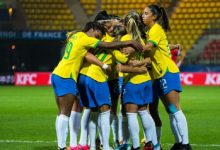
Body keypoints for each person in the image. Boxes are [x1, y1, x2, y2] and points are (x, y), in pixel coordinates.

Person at [51, 21, 143, 150]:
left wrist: (103, 64)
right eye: (98, 35)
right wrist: (130, 42)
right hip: (67, 76)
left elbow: (87, 54)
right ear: (93, 29)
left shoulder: (76, 36)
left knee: (62, 113)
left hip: (57, 73)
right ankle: (62, 147)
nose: (98, 38)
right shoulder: (85, 39)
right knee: (66, 113)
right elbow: (106, 45)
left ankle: (70, 145)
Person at [141, 4, 192, 150]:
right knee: (170, 110)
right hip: (159, 74)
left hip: (167, 72)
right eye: (142, 13)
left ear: (154, 17)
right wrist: (173, 45)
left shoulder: (155, 29)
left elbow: (149, 47)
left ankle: (186, 144)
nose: (142, 16)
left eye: (145, 13)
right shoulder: (152, 31)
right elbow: (161, 45)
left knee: (175, 108)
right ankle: (178, 142)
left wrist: (131, 43)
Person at [118, 11, 159, 150]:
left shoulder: (126, 38)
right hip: (146, 80)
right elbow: (149, 58)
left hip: (133, 81)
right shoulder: (141, 40)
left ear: (126, 24)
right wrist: (141, 64)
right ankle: (152, 143)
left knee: (130, 114)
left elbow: (120, 63)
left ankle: (135, 146)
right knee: (143, 112)